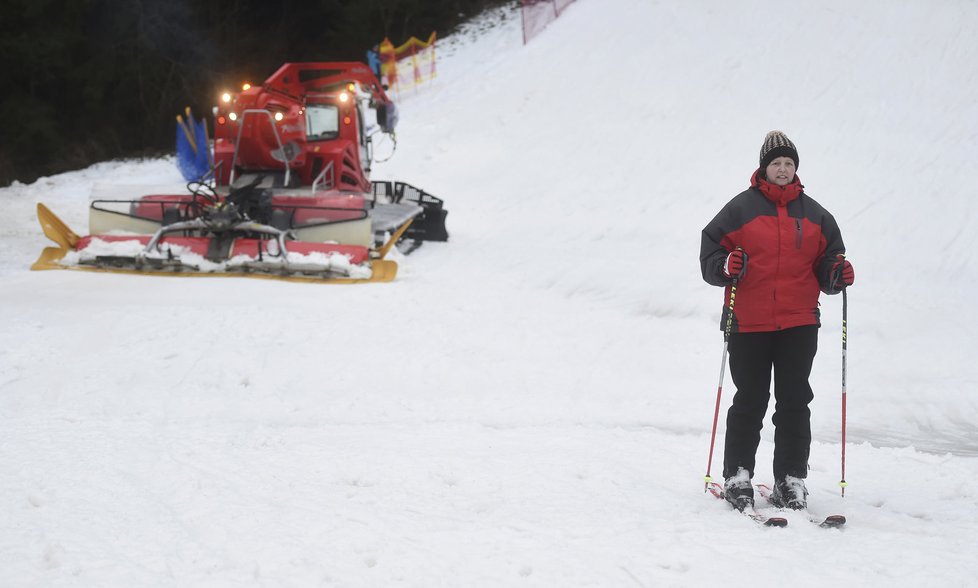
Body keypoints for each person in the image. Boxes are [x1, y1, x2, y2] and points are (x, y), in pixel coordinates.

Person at [699, 130, 855, 511]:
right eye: (776, 163)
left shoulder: (817, 215)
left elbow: (828, 261)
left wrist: (836, 274)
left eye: (788, 163)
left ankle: (791, 479)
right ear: (764, 168)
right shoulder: (739, 210)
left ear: (795, 168)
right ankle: (738, 476)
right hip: (748, 322)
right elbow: (710, 256)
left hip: (799, 322)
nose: (783, 169)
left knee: (795, 402)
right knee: (750, 400)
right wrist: (725, 266)